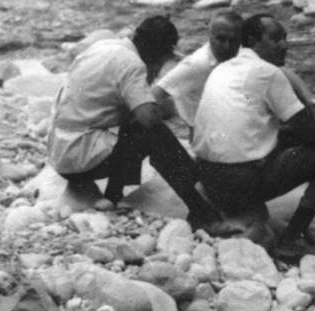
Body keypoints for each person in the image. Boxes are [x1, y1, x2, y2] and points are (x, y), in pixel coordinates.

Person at [191, 13, 315, 259]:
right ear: (253, 40)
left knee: (290, 135)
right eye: (276, 38)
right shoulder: (267, 72)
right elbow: (313, 132)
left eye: (285, 38)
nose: (285, 45)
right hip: (243, 184)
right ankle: (292, 238)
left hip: (210, 180)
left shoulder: (222, 68)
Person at [46, 15, 223, 229]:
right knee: (151, 132)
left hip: (60, 151)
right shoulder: (133, 65)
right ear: (157, 54)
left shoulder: (103, 46)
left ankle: (113, 195)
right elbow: (148, 119)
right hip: (79, 160)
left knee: (132, 124)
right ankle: (201, 210)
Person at [152, 10, 244, 131]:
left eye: (233, 40)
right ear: (209, 36)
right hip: (204, 132)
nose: (227, 46)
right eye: (220, 39)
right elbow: (156, 93)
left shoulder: (243, 52)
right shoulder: (197, 64)